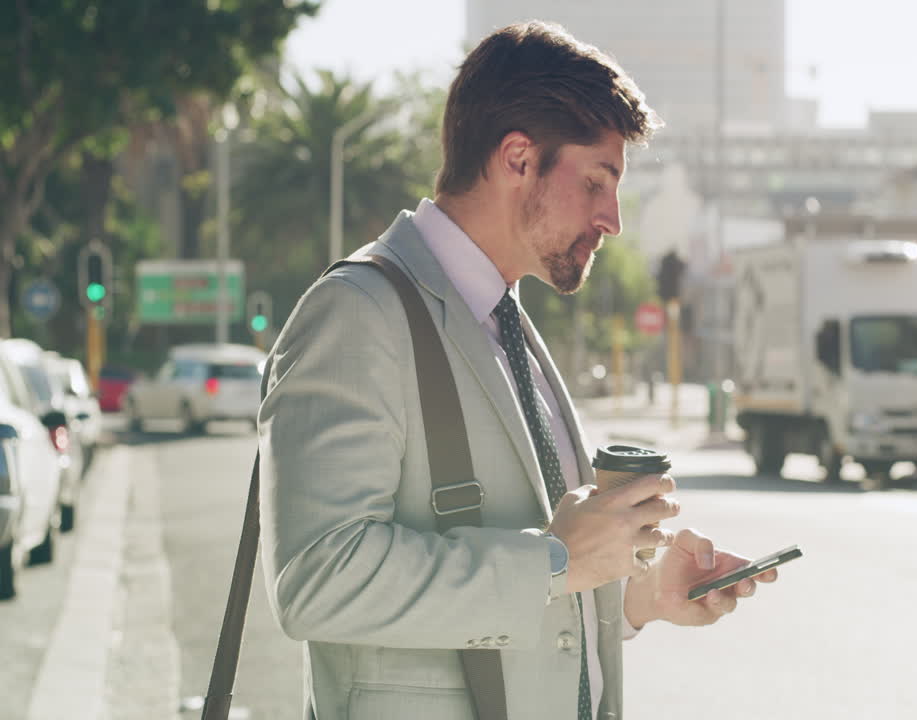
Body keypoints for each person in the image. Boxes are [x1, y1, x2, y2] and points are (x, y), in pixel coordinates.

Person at [257, 21, 778, 720]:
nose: (613, 219)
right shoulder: (357, 313)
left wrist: (637, 594)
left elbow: (542, 573)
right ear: (518, 158)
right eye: (595, 182)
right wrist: (557, 560)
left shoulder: (510, 325)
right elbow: (317, 581)